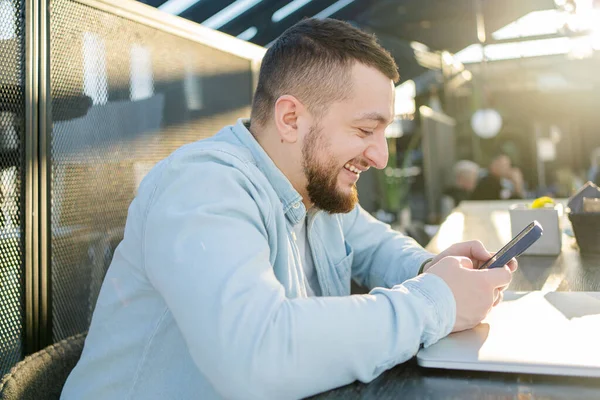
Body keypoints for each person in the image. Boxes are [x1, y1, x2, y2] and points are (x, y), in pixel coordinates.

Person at [61, 18, 516, 399]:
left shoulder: (315, 189)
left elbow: (379, 247)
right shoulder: (203, 185)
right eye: (364, 130)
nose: (380, 156)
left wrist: (437, 267)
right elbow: (257, 353)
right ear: (291, 118)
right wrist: (435, 301)